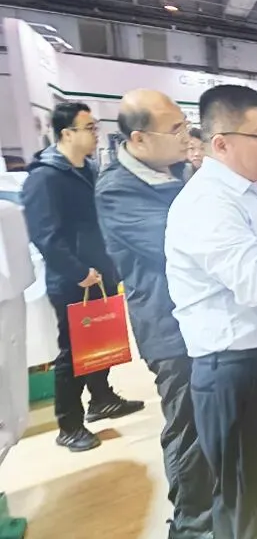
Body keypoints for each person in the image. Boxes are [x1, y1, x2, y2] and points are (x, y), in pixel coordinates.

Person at [164, 85, 257, 539]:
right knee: (249, 504)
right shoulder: (209, 202)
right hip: (236, 370)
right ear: (221, 143)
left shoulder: (240, 194)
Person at [96, 89, 213, 538]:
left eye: (185, 125)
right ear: (139, 139)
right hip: (169, 329)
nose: (186, 136)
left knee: (209, 424)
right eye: (176, 129)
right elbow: (179, 245)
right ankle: (190, 526)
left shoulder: (177, 171)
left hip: (199, 319)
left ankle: (212, 514)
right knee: (188, 429)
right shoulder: (117, 189)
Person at [21, 102, 144, 453]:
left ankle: (102, 399)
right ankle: (69, 424)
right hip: (72, 279)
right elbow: (45, 235)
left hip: (100, 272)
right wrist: (78, 271)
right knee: (73, 352)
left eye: (95, 127)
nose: (95, 134)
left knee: (101, 340)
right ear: (66, 133)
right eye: (89, 128)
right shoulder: (45, 177)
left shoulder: (89, 169)